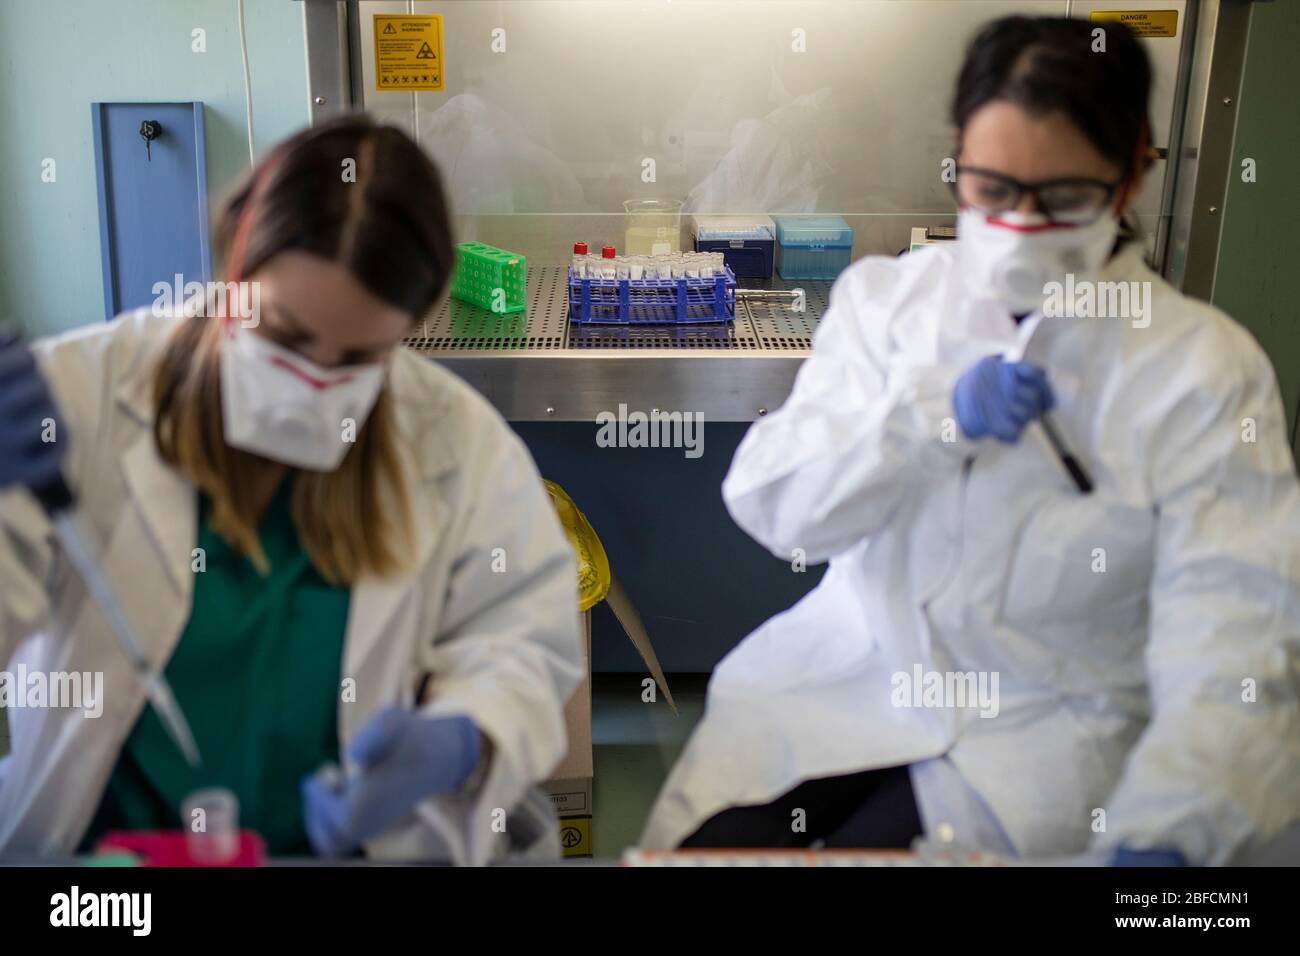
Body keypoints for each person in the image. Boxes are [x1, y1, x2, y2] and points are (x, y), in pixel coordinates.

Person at [641, 16, 1300, 865]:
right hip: (849, 676)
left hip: (1046, 732)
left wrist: (1172, 830)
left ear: (1133, 173)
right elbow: (776, 507)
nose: (1021, 223)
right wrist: (924, 419)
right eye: (992, 191)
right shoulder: (888, 306)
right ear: (959, 158)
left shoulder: (1199, 370)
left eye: (1061, 199)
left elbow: (1235, 634)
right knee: (710, 846)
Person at [0, 116, 581, 864]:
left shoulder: (459, 445)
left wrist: (465, 732)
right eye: (282, 335)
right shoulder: (75, 402)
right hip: (103, 878)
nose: (312, 382)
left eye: (359, 357)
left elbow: (518, 639)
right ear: (233, 258)